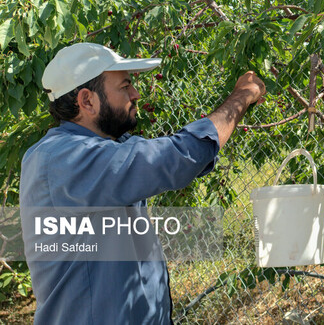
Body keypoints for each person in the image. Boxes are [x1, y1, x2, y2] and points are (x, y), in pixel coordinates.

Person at [19, 42, 265, 324]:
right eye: (125, 86)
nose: (136, 94)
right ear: (87, 101)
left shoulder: (100, 149)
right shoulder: (63, 158)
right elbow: (178, 157)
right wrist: (242, 96)